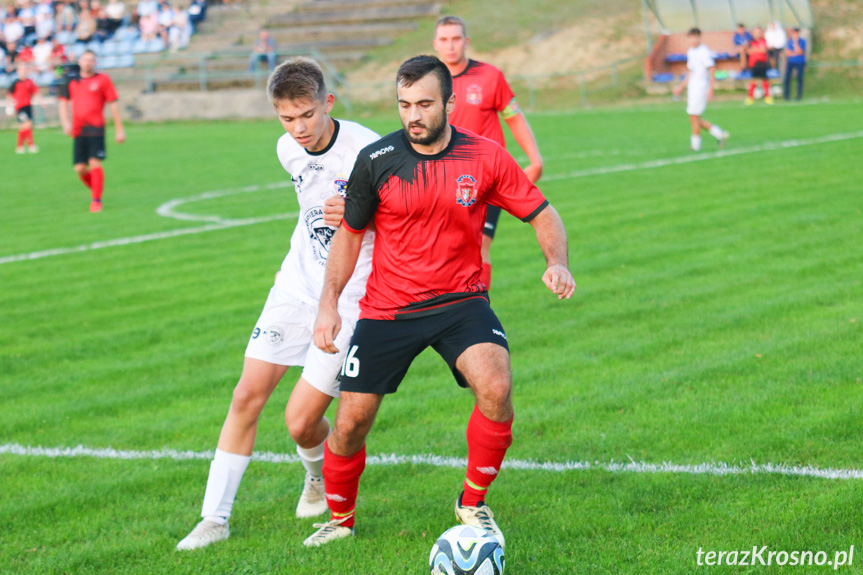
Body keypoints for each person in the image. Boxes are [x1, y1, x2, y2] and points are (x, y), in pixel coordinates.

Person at [303, 55, 575, 548]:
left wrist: (557, 261)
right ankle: (340, 520)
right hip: (389, 308)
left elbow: (542, 212)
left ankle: (473, 502)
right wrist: (329, 304)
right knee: (350, 424)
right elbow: (349, 234)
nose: (413, 115)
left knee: (496, 386)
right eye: (405, 104)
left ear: (449, 103)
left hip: (460, 302)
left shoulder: (487, 156)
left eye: (425, 104)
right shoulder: (377, 161)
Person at [175, 57, 380, 551]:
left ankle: (314, 477)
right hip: (296, 285)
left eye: (306, 114)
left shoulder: (370, 150)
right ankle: (214, 519)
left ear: (328, 102)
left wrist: (364, 216)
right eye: (287, 118)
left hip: (350, 298)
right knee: (246, 395)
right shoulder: (286, 149)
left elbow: (408, 221)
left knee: (299, 421)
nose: (298, 128)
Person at [431, 15, 542, 289]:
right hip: (442, 178)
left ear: (466, 41)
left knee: (479, 248)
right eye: (444, 40)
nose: (451, 46)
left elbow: (513, 117)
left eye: (456, 39)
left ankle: (478, 314)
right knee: (442, 250)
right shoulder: (430, 82)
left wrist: (535, 159)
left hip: (486, 176)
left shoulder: (490, 77)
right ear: (435, 44)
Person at [57, 50, 125, 213]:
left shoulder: (103, 80)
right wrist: (65, 123)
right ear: (79, 62)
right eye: (85, 60)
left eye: (91, 60)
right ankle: (96, 188)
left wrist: (119, 129)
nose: (88, 63)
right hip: (78, 130)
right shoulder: (71, 81)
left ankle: (96, 200)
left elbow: (113, 105)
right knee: (80, 168)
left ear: (95, 63)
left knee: (95, 162)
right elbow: (63, 103)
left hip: (96, 128)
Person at [672, 28, 729, 152]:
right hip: (692, 87)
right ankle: (719, 134)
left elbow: (712, 68)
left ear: (699, 37)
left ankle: (696, 145)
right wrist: (681, 86)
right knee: (693, 118)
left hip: (701, 87)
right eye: (691, 37)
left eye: (695, 37)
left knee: (695, 117)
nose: (693, 39)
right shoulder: (691, 51)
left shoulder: (704, 51)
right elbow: (690, 71)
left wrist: (710, 88)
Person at [7, 60, 39, 153]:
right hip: (20, 107)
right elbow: (9, 94)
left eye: (24, 69)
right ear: (18, 71)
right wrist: (9, 106)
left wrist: (41, 101)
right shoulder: (15, 82)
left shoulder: (29, 81)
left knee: (23, 126)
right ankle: (30, 144)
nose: (23, 71)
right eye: (21, 69)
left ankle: (19, 146)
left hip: (28, 105)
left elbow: (35, 91)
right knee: (27, 124)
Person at [745, 26, 772, 105]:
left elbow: (764, 50)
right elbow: (749, 51)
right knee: (753, 80)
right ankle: (750, 98)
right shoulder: (750, 42)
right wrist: (758, 49)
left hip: (762, 63)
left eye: (759, 32)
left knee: (765, 80)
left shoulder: (764, 41)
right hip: (754, 63)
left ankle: (767, 97)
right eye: (756, 32)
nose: (758, 34)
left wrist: (755, 50)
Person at [784, 28, 806, 101]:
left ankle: (799, 96)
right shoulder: (789, 41)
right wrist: (795, 53)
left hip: (800, 61)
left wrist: (796, 44)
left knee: (799, 77)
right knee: (787, 78)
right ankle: (787, 96)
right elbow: (787, 53)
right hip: (791, 61)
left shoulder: (802, 41)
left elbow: (800, 51)